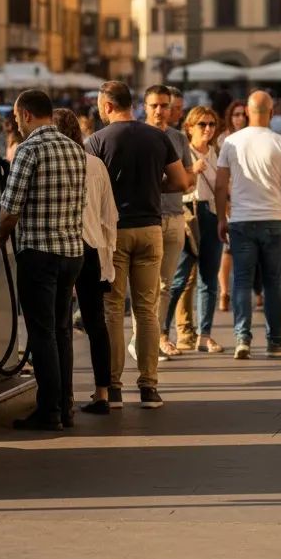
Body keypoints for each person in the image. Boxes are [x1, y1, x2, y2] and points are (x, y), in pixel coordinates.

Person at [86, 81, 188, 409]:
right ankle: (148, 387)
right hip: (150, 228)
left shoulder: (97, 141)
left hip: (113, 232)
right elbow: (181, 182)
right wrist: (152, 186)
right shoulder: (158, 137)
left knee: (113, 309)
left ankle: (113, 388)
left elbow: (91, 188)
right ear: (135, 104)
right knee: (146, 310)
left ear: (106, 106)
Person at [0, 89, 86, 432]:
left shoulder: (30, 149)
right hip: (72, 253)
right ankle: (65, 407)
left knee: (42, 332)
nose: (16, 123)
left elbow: (11, 206)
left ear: (27, 115)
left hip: (39, 254)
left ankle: (48, 410)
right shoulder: (76, 149)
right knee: (62, 332)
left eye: (17, 117)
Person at [215, 91, 281, 360]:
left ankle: (242, 339)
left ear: (249, 112)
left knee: (241, 281)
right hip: (274, 218)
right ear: (272, 112)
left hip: (240, 219)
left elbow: (220, 185)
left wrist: (221, 217)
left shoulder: (231, 142)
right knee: (273, 283)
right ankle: (275, 341)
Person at [53, 108, 118, 415]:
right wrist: (108, 258)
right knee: (96, 324)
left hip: (59, 246)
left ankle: (62, 395)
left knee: (59, 324)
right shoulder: (95, 164)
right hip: (92, 248)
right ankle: (103, 392)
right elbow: (109, 216)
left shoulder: (53, 161)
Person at [163, 106, 225, 353]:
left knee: (209, 278)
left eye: (211, 124)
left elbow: (222, 187)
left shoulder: (217, 152)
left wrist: (223, 216)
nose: (208, 129)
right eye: (202, 124)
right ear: (190, 127)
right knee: (179, 278)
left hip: (210, 213)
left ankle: (205, 335)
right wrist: (192, 171)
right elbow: (179, 186)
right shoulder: (182, 151)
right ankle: (163, 333)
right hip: (189, 213)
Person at [142, 84, 195, 360]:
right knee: (143, 286)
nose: (160, 111)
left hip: (174, 217)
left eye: (165, 106)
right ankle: (141, 339)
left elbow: (187, 180)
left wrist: (160, 184)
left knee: (165, 285)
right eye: (155, 106)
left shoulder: (178, 138)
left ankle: (159, 335)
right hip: (144, 219)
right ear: (145, 107)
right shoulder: (138, 135)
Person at [217, 99, 249, 310]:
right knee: (228, 249)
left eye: (242, 114)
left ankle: (251, 292)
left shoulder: (250, 137)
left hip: (246, 198)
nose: (239, 118)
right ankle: (225, 291)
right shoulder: (224, 139)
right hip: (229, 198)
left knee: (246, 251)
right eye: (235, 114)